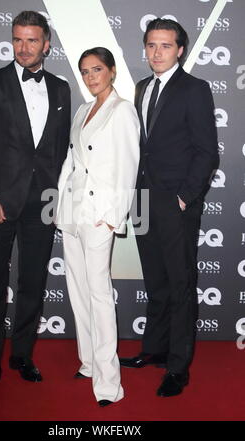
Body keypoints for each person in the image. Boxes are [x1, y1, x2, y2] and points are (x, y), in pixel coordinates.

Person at [0, 10, 70, 394]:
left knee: (33, 284)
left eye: (31, 40)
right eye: (18, 40)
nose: (23, 48)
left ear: (46, 44)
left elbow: (59, 153)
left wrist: (58, 197)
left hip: (41, 203)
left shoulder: (60, 89)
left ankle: (22, 356)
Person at [120, 18, 218, 397]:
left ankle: (178, 366)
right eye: (151, 45)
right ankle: (154, 349)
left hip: (175, 203)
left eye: (165, 45)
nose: (156, 52)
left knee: (179, 285)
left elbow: (206, 151)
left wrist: (183, 198)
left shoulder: (195, 89)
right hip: (143, 199)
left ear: (180, 50)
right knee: (156, 283)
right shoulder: (142, 88)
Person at [56, 47, 140, 406]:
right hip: (73, 213)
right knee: (77, 291)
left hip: (99, 214)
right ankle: (89, 361)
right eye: (86, 72)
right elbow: (71, 162)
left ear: (112, 71)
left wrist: (112, 215)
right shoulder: (80, 110)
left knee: (99, 295)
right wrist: (60, 208)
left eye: (97, 70)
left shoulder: (122, 111)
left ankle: (109, 384)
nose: (91, 77)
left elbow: (129, 167)